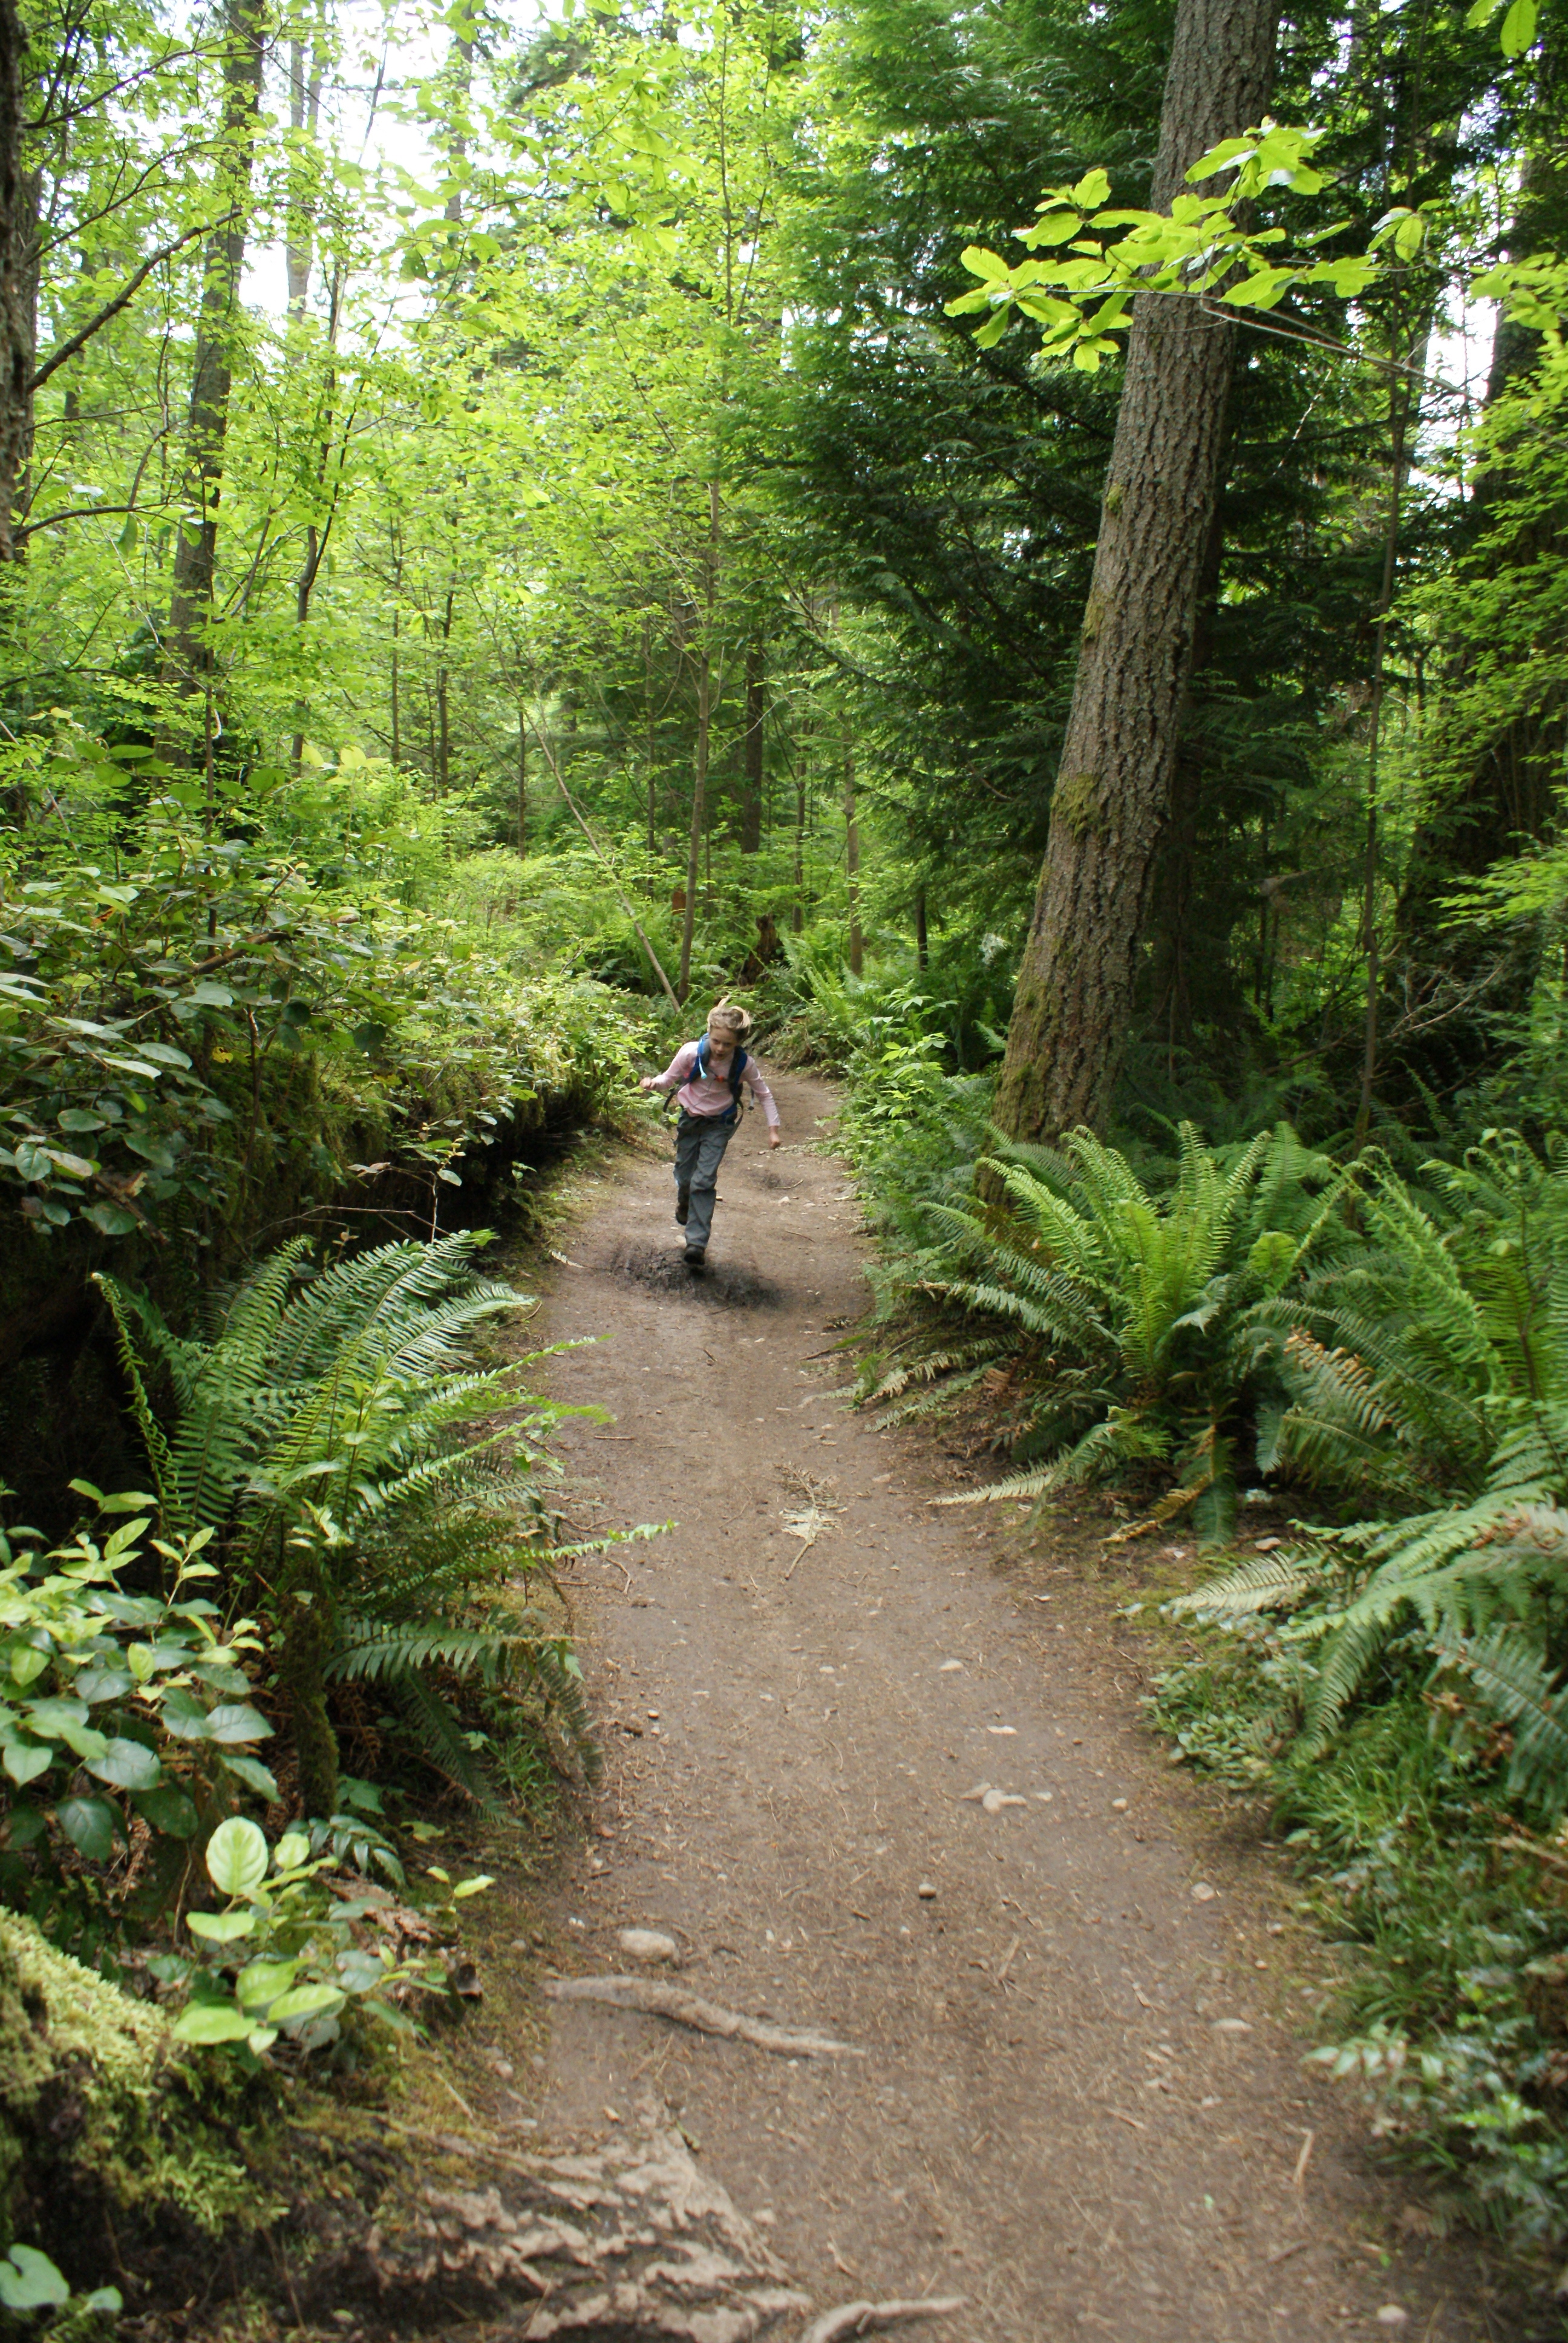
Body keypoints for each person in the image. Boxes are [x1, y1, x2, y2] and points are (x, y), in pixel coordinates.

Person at [639, 1003, 781, 1267]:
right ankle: (684, 1201)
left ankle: (696, 1243)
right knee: (684, 1176)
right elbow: (668, 1079)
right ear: (709, 1034)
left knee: (703, 1181)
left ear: (738, 1043)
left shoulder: (744, 1065)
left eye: (727, 1045)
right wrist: (652, 1084)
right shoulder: (691, 1053)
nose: (720, 1049)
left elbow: (764, 1094)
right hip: (689, 1121)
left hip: (719, 1125)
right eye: (716, 1042)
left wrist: (773, 1129)